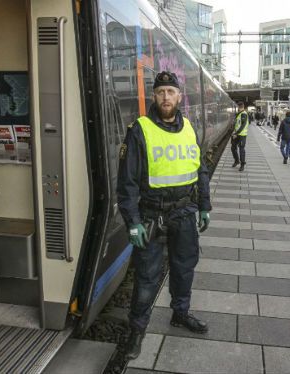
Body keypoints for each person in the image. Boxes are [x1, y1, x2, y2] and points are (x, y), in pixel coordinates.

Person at [117, 71, 212, 360]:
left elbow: (200, 170)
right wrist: (132, 222)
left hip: (184, 212)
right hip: (151, 214)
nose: (166, 97)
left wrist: (205, 206)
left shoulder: (189, 129)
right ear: (154, 97)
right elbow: (127, 183)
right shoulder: (140, 130)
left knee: (185, 268)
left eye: (171, 92)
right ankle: (137, 331)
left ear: (179, 96)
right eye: (161, 92)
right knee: (147, 277)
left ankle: (180, 313)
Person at [231, 101, 249, 171]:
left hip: (242, 135)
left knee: (241, 149)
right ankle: (236, 160)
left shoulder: (243, 114)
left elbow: (243, 125)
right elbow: (237, 124)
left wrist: (236, 133)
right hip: (237, 134)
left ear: (239, 107)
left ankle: (242, 164)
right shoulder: (239, 114)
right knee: (233, 147)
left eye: (238, 107)